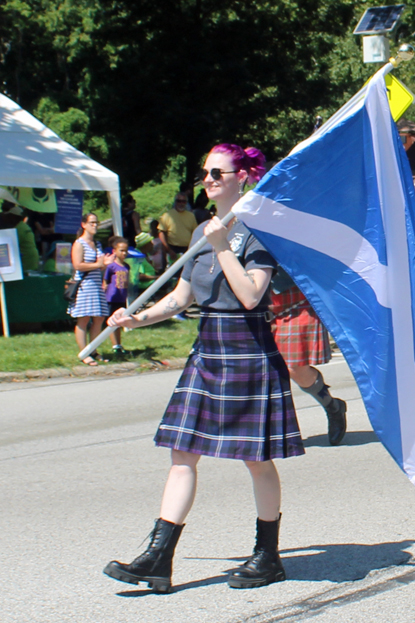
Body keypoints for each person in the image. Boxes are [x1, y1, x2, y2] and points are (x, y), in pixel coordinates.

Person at [103, 144, 304, 594]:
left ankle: (268, 556)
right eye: (205, 172)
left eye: (218, 172)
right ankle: (158, 557)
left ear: (242, 177)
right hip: (209, 347)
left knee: (256, 459)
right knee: (182, 452)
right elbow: (181, 297)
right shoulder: (201, 234)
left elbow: (252, 295)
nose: (208, 179)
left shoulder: (256, 232)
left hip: (248, 345)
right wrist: (138, 318)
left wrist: (222, 247)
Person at [270, 269, 347, 446]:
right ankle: (268, 429)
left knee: (295, 368)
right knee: (257, 368)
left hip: (293, 296)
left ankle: (332, 407)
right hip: (250, 296)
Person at [68, 213, 114, 366]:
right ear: (84, 225)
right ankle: (84, 353)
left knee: (99, 317)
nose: (95, 225)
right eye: (92, 223)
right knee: (84, 318)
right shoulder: (79, 244)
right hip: (85, 285)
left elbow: (99, 266)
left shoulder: (97, 244)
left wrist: (105, 264)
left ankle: (93, 349)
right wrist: (99, 264)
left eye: (96, 223)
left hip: (96, 284)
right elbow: (78, 265)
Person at [103, 237, 130, 355]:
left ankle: (119, 344)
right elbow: (105, 282)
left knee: (120, 322)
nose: (124, 253)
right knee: (112, 322)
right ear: (114, 251)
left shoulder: (126, 266)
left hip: (121, 298)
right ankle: (115, 345)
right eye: (121, 250)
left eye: (125, 250)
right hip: (112, 298)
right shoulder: (111, 267)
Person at [158, 192, 198, 260]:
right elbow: (161, 233)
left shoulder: (191, 216)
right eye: (179, 201)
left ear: (186, 203)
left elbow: (195, 232)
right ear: (175, 202)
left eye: (183, 201)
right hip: (172, 248)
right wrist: (168, 249)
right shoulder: (167, 215)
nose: (181, 203)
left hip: (187, 249)